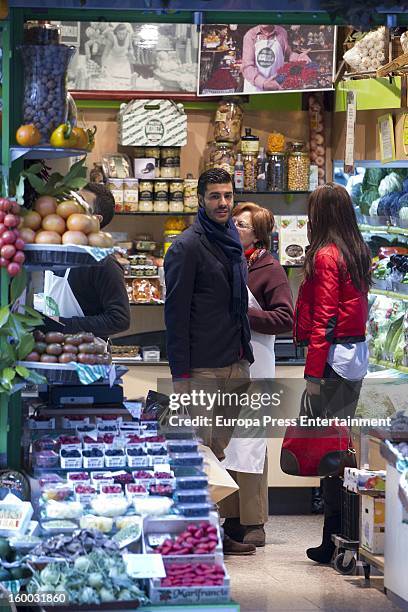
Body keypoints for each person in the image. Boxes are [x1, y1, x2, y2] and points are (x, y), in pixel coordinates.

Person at [164, 168, 255, 556]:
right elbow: (175, 314)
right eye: (215, 196)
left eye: (228, 195)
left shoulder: (233, 238)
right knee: (196, 454)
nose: (222, 203)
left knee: (216, 454)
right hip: (201, 366)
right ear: (200, 198)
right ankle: (199, 538)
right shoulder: (186, 247)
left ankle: (211, 530)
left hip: (236, 362)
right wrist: (180, 376)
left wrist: (245, 356)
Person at [294, 183, 371, 563]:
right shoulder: (357, 251)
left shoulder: (326, 255)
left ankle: (334, 537)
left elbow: (324, 317)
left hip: (331, 360)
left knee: (331, 453)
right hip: (354, 355)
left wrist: (312, 370)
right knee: (342, 447)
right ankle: (343, 533)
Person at [220, 202, 294, 548]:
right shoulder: (224, 260)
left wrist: (244, 315)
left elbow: (285, 319)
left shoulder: (269, 269)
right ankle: (231, 517)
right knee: (227, 443)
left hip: (259, 362)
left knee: (250, 443)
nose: (235, 227)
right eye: (233, 222)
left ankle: (254, 521)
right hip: (224, 361)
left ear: (258, 234)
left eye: (243, 225)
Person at [43, 183, 131, 340]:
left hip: (86, 356)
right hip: (51, 350)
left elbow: (120, 319)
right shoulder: (56, 251)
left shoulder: (103, 263)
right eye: (72, 199)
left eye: (81, 203)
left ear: (95, 220)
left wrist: (62, 325)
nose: (71, 205)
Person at [241, 24, 310, 93]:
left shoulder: (282, 32)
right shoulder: (250, 35)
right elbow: (247, 67)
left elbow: (288, 54)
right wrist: (264, 83)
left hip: (277, 85)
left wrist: (298, 57)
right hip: (255, 89)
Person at [101, 23, 133, 89]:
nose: (122, 36)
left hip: (124, 63)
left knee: (125, 85)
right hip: (112, 62)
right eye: (120, 34)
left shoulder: (129, 36)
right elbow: (105, 54)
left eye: (123, 34)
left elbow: (130, 48)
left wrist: (131, 53)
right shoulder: (112, 37)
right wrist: (103, 67)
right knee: (111, 85)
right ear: (116, 32)